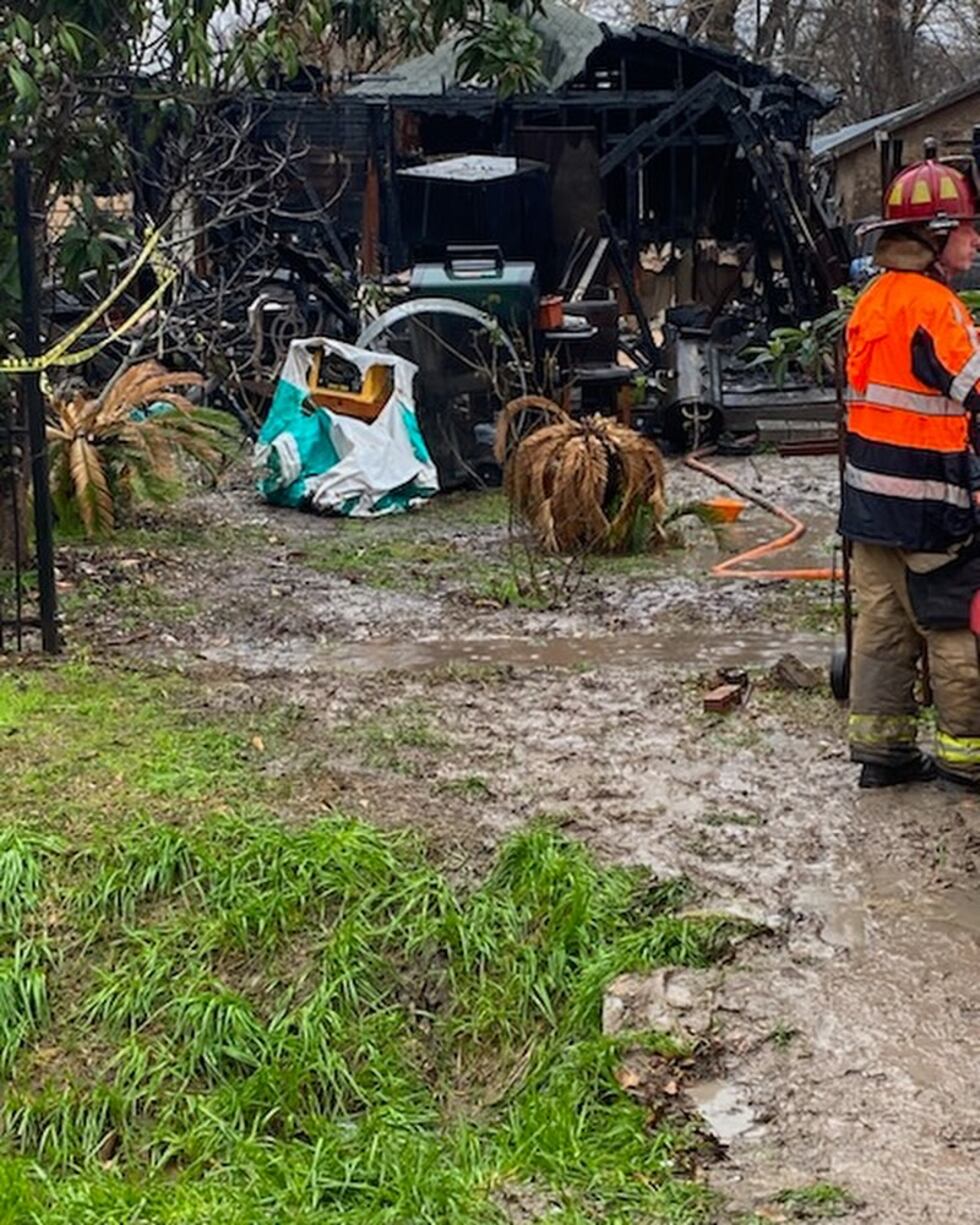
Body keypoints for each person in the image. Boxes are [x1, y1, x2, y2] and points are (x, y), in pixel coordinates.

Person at [842, 148, 980, 789]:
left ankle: (884, 754)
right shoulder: (935, 307)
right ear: (936, 237)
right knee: (951, 625)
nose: (976, 242)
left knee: (883, 626)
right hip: (931, 504)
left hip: (870, 503)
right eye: (970, 230)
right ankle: (967, 757)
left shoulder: (872, 299)